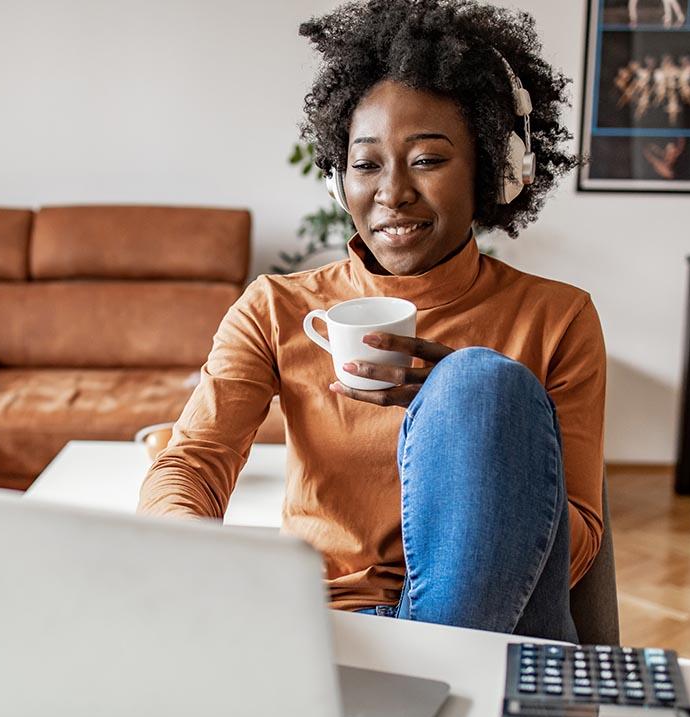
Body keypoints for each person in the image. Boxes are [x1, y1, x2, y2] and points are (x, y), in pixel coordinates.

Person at [138, 0, 605, 642]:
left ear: (493, 172)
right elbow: (191, 463)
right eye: (366, 163)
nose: (391, 193)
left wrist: (490, 426)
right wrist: (194, 557)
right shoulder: (276, 308)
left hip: (497, 624)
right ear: (338, 178)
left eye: (427, 160)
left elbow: (579, 552)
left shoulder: (558, 317)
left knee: (482, 387)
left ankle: (430, 673)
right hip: (327, 628)